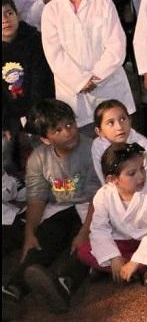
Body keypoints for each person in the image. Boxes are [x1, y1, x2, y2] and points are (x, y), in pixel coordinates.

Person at [1, 99, 97, 313]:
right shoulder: (38, 158)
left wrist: (85, 231)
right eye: (58, 130)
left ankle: (64, 284)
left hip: (91, 208)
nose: (68, 132)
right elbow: (36, 198)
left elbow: (99, 198)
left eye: (70, 125)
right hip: (60, 209)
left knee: (90, 244)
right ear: (45, 139)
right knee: (42, 240)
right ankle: (13, 290)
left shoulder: (91, 149)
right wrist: (30, 233)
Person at [41, 0, 135, 135]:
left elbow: (116, 45)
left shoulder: (103, 3)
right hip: (74, 90)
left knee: (117, 141)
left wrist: (96, 77)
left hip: (108, 85)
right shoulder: (52, 10)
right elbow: (54, 53)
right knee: (84, 145)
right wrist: (80, 81)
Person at [77, 142, 147, 290]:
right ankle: (143, 271)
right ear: (112, 179)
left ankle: (129, 270)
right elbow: (99, 230)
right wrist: (114, 257)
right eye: (131, 173)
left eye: (142, 168)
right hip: (120, 244)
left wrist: (135, 261)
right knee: (84, 251)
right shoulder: (103, 196)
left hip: (146, 240)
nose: (141, 176)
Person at [1, 0, 54, 139]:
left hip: (38, 113)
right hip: (8, 116)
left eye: (9, 13)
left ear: (18, 15)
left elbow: (42, 83)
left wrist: (35, 118)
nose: (5, 20)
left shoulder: (35, 40)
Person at [89, 99, 147, 182]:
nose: (119, 127)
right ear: (99, 131)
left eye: (123, 119)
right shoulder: (98, 145)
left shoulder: (143, 145)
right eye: (110, 123)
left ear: (130, 120)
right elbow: (105, 181)